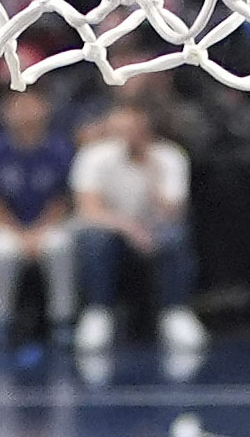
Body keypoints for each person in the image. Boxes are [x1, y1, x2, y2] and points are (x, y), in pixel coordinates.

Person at [68, 103, 205, 377]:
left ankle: (174, 312)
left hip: (155, 229)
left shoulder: (170, 157)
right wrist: (130, 228)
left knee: (175, 237)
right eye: (119, 130)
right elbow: (89, 210)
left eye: (133, 130)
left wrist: (151, 173)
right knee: (93, 240)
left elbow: (173, 211)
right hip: (112, 229)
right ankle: (98, 313)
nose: (126, 137)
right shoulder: (93, 157)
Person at [0, 88, 77, 341]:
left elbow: (61, 199)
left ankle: (62, 320)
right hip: (5, 225)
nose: (25, 113)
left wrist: (37, 233)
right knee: (1, 253)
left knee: (60, 247)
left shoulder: (59, 149)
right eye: (17, 106)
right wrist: (19, 234)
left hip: (49, 224)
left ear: (45, 110)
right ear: (4, 113)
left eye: (31, 105)